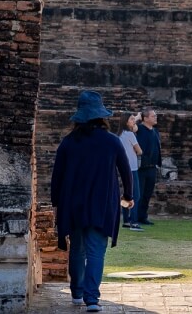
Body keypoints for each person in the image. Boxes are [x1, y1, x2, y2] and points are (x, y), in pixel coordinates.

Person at [51, 91, 134, 312]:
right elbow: (126, 171)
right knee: (96, 250)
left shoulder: (69, 142)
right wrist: (128, 196)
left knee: (77, 249)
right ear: (101, 116)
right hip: (102, 203)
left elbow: (56, 176)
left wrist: (56, 203)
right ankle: (92, 299)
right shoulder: (111, 141)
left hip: (73, 203)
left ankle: (77, 293)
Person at [134, 107, 161, 226]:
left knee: (147, 194)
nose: (155, 118)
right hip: (141, 167)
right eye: (153, 116)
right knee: (138, 194)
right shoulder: (139, 128)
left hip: (152, 167)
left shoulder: (155, 131)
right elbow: (129, 126)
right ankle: (134, 217)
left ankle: (143, 216)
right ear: (145, 118)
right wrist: (138, 117)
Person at [117, 111, 144, 231]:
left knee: (126, 194)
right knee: (135, 195)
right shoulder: (130, 134)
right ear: (126, 121)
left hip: (123, 167)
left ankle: (126, 220)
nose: (134, 121)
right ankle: (134, 221)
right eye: (132, 119)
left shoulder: (120, 134)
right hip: (132, 167)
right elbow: (139, 151)